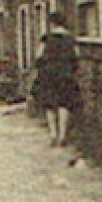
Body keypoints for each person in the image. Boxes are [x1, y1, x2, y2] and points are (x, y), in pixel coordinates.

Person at [32, 15, 83, 147]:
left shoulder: (46, 39)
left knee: (50, 105)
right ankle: (62, 135)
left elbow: (38, 57)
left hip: (49, 75)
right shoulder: (70, 39)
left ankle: (53, 135)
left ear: (52, 24)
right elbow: (76, 57)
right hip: (65, 75)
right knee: (64, 104)